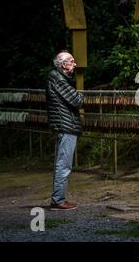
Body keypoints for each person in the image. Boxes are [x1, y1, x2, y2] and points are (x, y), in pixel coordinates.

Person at [46, 51, 83, 210]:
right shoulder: (58, 79)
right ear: (63, 64)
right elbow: (77, 100)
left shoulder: (58, 78)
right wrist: (79, 95)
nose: (75, 64)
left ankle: (58, 199)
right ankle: (58, 200)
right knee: (64, 164)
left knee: (62, 163)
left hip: (65, 125)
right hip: (66, 126)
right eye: (72, 61)